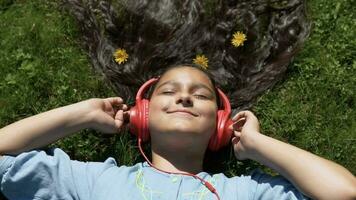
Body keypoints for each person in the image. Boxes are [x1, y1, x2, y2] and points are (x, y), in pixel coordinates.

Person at [0, 65, 355, 200]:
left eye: (200, 96)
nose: (184, 96)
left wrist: (257, 146)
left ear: (219, 125)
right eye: (168, 92)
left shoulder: (244, 191)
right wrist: (80, 114)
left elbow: (343, 192)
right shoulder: (96, 180)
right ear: (142, 116)